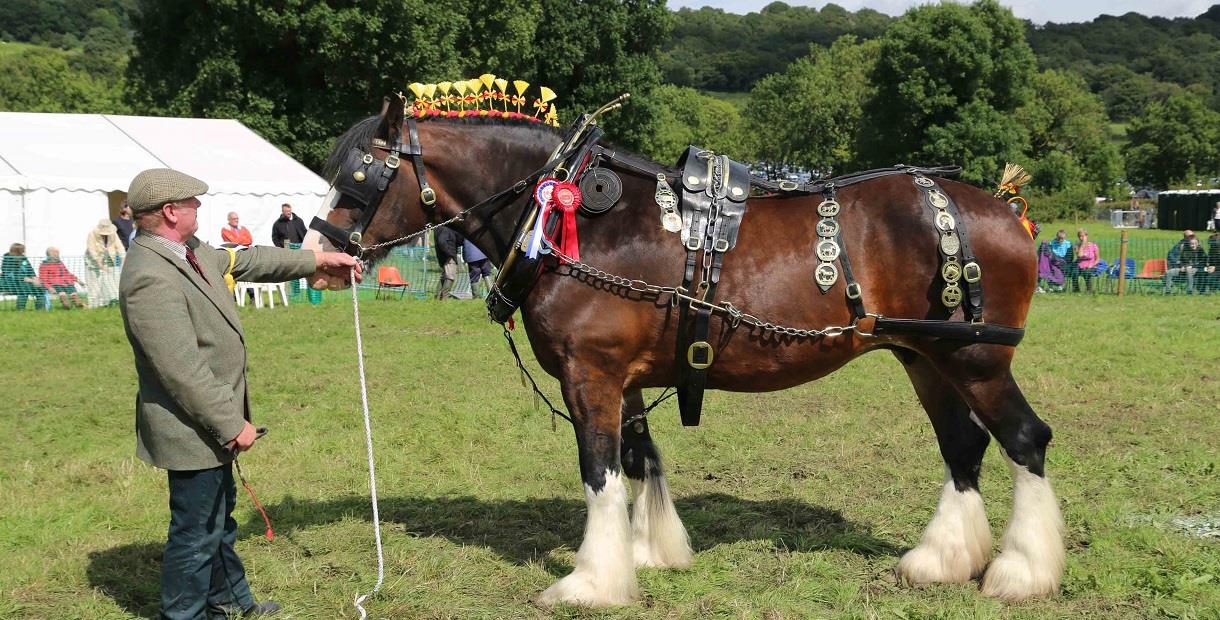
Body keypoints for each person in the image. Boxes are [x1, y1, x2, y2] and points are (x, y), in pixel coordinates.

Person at [118, 168, 362, 620]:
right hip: (192, 427)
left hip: (209, 422)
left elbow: (249, 261)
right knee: (194, 533)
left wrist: (321, 262)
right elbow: (180, 369)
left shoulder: (189, 250)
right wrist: (231, 424)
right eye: (192, 202)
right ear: (171, 212)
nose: (199, 207)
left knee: (217, 520)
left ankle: (229, 600)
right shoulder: (149, 275)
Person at [85, 219, 125, 308]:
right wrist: (99, 265)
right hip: (93, 263)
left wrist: (123, 260)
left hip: (109, 260)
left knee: (110, 281)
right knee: (95, 283)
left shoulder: (113, 234)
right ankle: (93, 305)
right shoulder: (92, 235)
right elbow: (92, 250)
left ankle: (107, 302)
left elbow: (120, 247)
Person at [1, 243, 42, 309]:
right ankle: (20, 309)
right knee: (24, 288)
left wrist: (35, 278)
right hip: (12, 283)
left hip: (27, 281)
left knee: (40, 287)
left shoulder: (24, 259)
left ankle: (40, 309)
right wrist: (25, 278)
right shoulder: (7, 259)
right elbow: (8, 273)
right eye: (22, 250)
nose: (23, 252)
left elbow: (30, 270)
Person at [433, 225, 461, 300]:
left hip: (443, 256)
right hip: (448, 256)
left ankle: (437, 296)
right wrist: (450, 254)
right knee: (450, 276)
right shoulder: (445, 228)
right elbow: (442, 241)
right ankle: (445, 297)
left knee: (445, 275)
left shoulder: (439, 227)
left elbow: (458, 240)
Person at [1071, 228, 1100, 293]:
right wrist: (1082, 245)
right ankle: (1076, 289)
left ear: (1086, 236)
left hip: (1090, 266)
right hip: (1079, 265)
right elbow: (1080, 255)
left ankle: (1089, 289)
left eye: (1082, 236)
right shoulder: (1076, 246)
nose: (1081, 238)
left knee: (1086, 272)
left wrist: (1092, 265)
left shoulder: (1093, 246)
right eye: (1079, 236)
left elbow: (1098, 259)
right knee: (1074, 272)